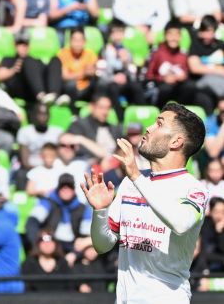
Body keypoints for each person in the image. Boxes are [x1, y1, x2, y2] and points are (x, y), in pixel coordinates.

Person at [82, 103, 208, 303]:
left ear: (176, 141)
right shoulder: (130, 183)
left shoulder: (193, 189)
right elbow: (102, 245)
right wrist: (100, 211)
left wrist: (136, 177)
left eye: (159, 124)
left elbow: (181, 224)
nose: (148, 128)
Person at [26, 173, 92, 256]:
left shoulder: (83, 209)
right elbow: (31, 222)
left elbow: (85, 235)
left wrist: (75, 255)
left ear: (74, 190)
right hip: (50, 246)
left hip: (72, 248)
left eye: (69, 187)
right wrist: (38, 245)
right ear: (58, 189)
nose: (65, 189)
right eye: (62, 187)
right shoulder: (47, 203)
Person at [0, 30, 66, 106]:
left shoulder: (35, 61)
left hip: (35, 88)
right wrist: (13, 70)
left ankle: (54, 95)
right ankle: (41, 95)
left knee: (55, 60)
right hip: (20, 88)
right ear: (14, 45)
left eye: (25, 44)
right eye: (20, 44)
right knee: (28, 61)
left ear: (29, 45)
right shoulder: (8, 59)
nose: (23, 47)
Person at [97, 19, 146, 120]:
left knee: (136, 87)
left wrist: (126, 62)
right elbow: (100, 74)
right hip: (110, 82)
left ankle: (139, 117)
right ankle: (120, 119)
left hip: (125, 81)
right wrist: (113, 78)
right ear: (110, 35)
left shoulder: (127, 51)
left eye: (120, 32)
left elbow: (133, 75)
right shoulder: (104, 51)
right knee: (113, 88)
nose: (118, 36)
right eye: (114, 33)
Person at [146, 20, 195, 108]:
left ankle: (182, 112)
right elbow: (148, 75)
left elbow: (186, 73)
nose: (173, 38)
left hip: (178, 87)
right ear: (165, 35)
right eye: (170, 34)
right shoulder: (156, 52)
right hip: (161, 87)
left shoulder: (183, 54)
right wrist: (163, 78)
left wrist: (183, 77)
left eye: (177, 35)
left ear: (180, 37)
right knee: (166, 88)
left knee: (190, 87)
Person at [187, 14, 224, 114]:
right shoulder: (195, 44)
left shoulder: (220, 45)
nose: (207, 35)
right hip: (201, 81)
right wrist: (218, 70)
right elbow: (195, 68)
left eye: (210, 32)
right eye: (204, 31)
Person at [57, 28, 98, 102]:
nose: (77, 44)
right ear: (70, 41)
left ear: (84, 42)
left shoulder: (90, 54)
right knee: (71, 84)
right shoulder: (63, 54)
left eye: (80, 40)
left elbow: (91, 72)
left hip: (86, 88)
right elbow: (65, 76)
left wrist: (74, 74)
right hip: (69, 89)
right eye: (75, 40)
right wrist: (83, 73)